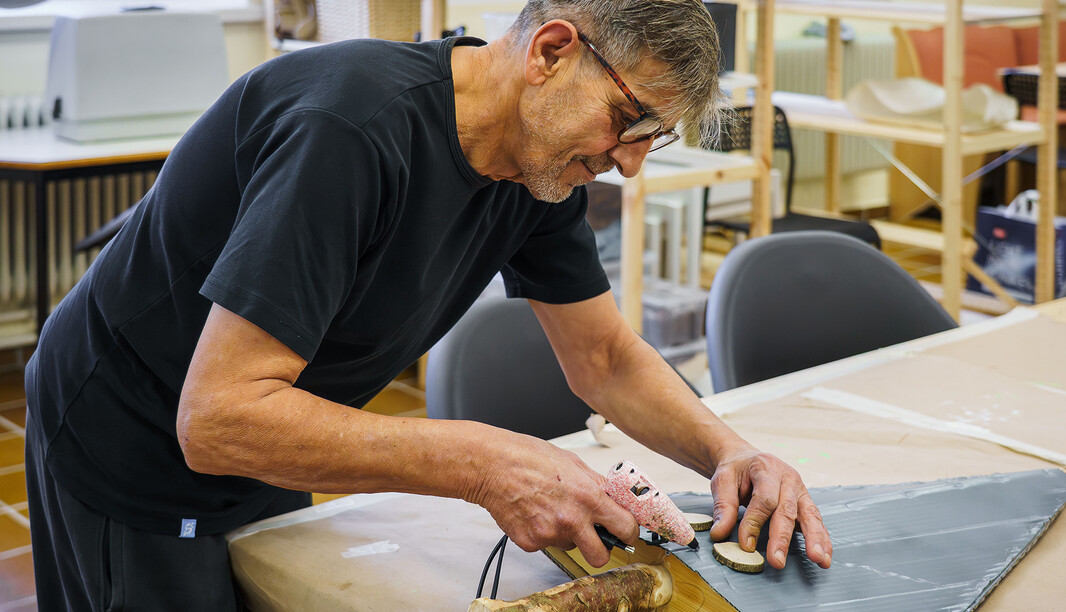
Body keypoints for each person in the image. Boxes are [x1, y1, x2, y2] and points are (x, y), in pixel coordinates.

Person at [24, 0, 832, 608]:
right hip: (129, 431)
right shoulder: (347, 131)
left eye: (652, 137)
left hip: (271, 418)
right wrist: (485, 464)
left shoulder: (540, 168)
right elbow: (215, 420)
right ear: (552, 51)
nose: (629, 165)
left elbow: (605, 358)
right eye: (627, 121)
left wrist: (729, 455)